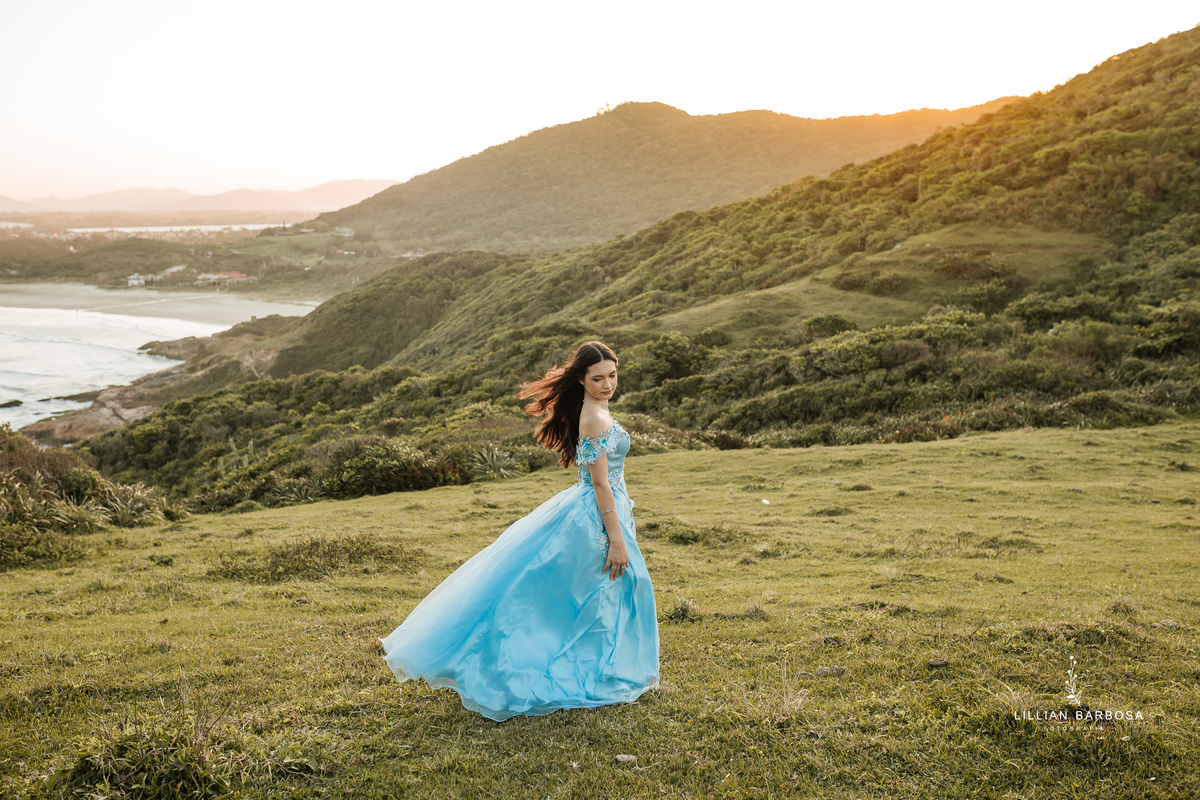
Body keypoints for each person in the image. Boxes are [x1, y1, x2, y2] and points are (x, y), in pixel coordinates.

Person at [379, 341, 660, 721]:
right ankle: (561, 666)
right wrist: (617, 538)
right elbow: (600, 484)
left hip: (596, 509)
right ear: (581, 379)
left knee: (596, 590)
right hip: (596, 515)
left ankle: (600, 663)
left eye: (612, 375)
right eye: (598, 378)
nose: (608, 384)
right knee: (599, 585)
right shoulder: (593, 418)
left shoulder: (596, 409)